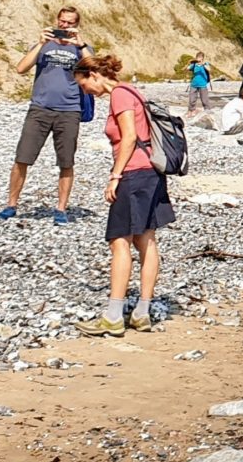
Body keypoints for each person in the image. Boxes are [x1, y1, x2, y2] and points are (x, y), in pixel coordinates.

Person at [71, 53, 175, 337]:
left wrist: (115, 175)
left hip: (133, 174)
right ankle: (142, 312)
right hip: (151, 173)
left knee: (119, 242)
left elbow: (128, 136)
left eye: (83, 85)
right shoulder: (133, 91)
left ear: (93, 76)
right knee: (147, 239)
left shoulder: (118, 95)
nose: (85, 92)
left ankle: (114, 316)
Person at [1, 7, 89, 224]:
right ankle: (11, 204)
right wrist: (40, 43)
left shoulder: (80, 49)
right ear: (56, 21)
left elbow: (96, 70)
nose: (65, 26)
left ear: (76, 25)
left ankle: (61, 208)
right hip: (40, 108)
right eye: (62, 21)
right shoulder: (44, 45)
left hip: (69, 110)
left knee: (66, 161)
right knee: (23, 157)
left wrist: (81, 44)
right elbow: (21, 68)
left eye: (70, 23)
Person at [185, 53, 212, 117]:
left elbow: (209, 69)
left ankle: (207, 112)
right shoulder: (194, 65)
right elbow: (187, 68)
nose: (199, 58)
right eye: (198, 57)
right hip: (194, 84)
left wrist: (203, 64)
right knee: (192, 99)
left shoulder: (205, 64)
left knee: (204, 100)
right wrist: (190, 63)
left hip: (203, 85)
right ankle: (191, 110)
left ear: (202, 58)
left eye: (200, 57)